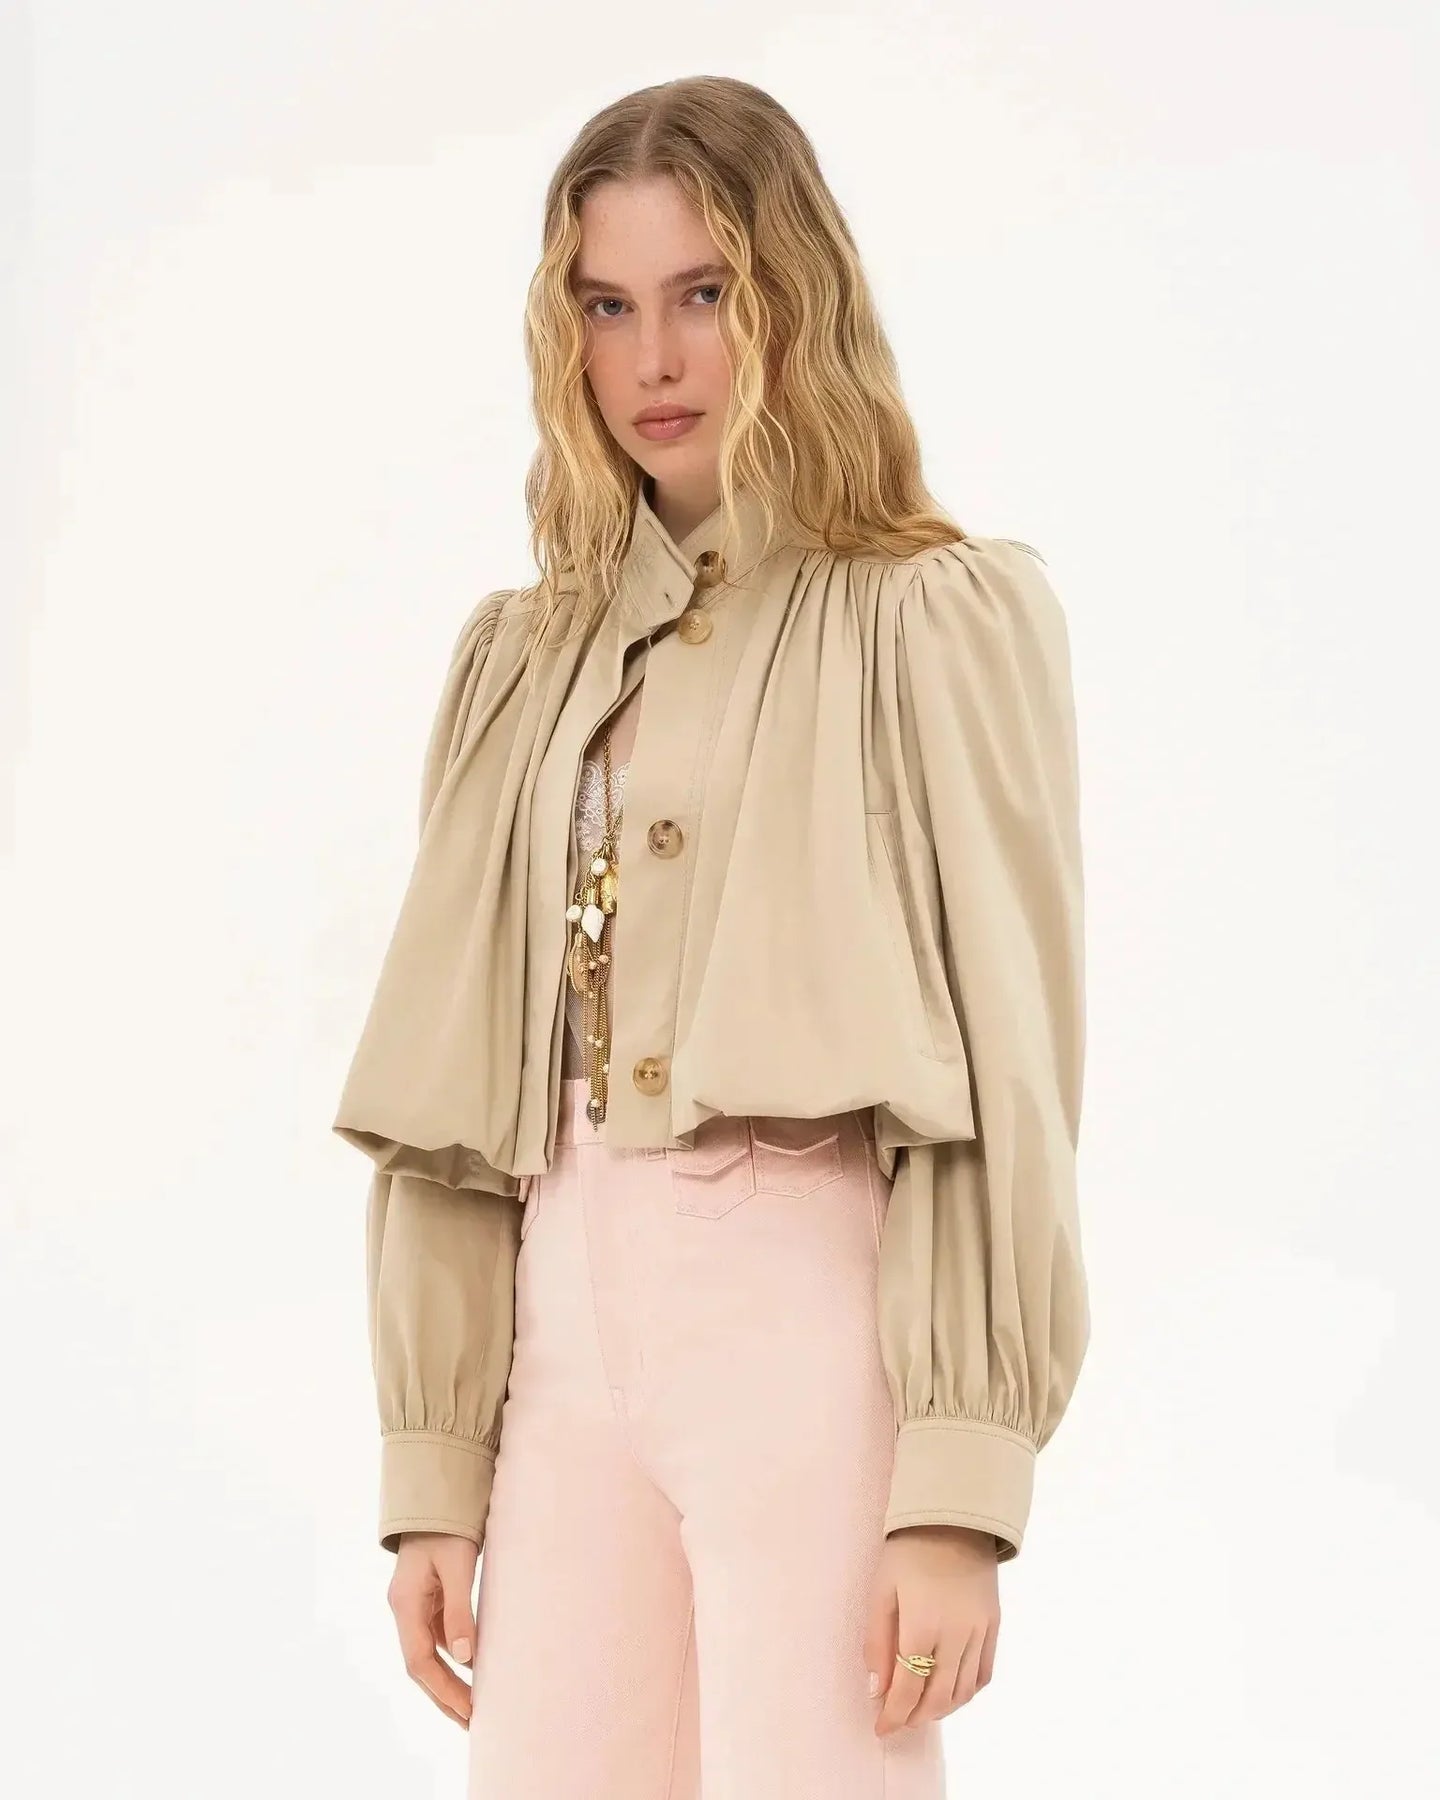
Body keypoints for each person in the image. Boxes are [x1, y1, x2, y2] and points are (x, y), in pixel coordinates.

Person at [332, 73, 1090, 1799]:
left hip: (805, 1316)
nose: (656, 358)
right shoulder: (518, 660)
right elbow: (464, 1080)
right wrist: (434, 1462)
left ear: (791, 299)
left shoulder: (928, 618)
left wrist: (960, 1486)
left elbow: (1012, 1060)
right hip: (556, 1334)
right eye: (608, 307)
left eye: (704, 294)